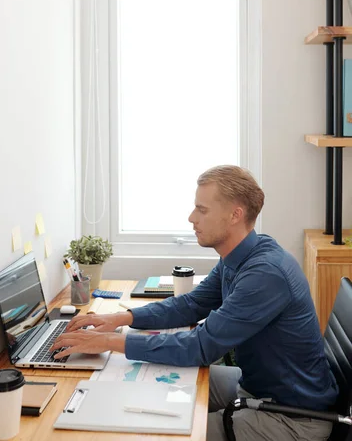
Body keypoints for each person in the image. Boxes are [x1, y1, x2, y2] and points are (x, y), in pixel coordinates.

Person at [51, 165, 337, 441]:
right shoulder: (238, 257)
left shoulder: (265, 274)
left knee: (160, 433)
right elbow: (190, 305)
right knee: (147, 385)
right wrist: (120, 320)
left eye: (202, 210)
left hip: (292, 418)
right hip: (255, 386)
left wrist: (108, 343)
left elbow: (200, 346)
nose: (191, 217)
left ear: (235, 215)